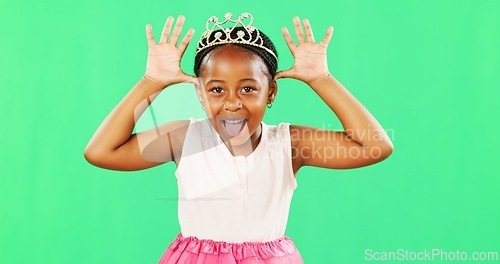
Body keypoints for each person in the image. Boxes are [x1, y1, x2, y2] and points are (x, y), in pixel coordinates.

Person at [84, 11, 394, 264]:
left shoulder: (290, 144)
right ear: (200, 95)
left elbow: (375, 146)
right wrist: (150, 82)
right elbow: (101, 151)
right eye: (217, 90)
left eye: (248, 88)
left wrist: (322, 80)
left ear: (270, 92)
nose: (232, 102)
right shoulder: (183, 138)